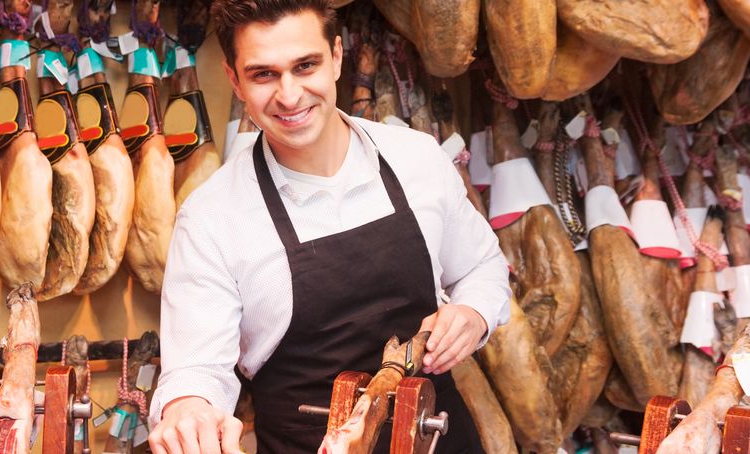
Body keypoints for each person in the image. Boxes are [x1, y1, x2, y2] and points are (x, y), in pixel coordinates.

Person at [148, 1, 511, 453]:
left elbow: (482, 266)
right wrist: (188, 409)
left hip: (440, 438)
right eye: (263, 74)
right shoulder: (211, 217)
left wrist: (474, 312)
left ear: (337, 56)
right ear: (234, 80)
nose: (289, 95)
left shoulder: (416, 158)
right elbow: (195, 371)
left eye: (306, 66)